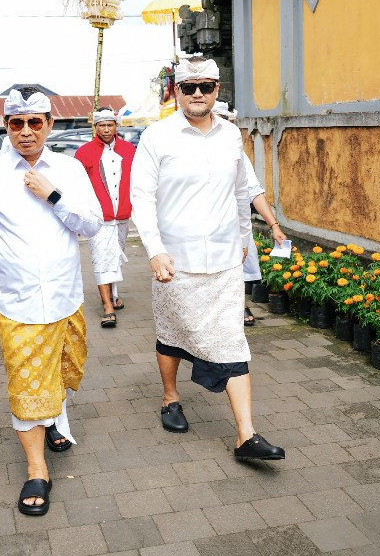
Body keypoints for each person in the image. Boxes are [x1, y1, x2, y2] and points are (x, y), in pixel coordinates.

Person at [131, 57, 285, 462]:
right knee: (172, 333)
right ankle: (170, 397)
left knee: (232, 340)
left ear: (217, 90)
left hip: (223, 262)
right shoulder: (156, 137)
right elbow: (141, 199)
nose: (197, 93)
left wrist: (242, 238)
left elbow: (239, 192)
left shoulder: (231, 136)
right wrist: (155, 250)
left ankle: (246, 436)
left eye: (206, 86)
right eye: (189, 87)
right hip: (174, 263)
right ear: (176, 92)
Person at [0, 88, 102, 516]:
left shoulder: (69, 168)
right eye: (16, 123)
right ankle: (36, 469)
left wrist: (54, 195)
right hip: (17, 302)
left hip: (65, 296)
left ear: (50, 124)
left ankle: (56, 421)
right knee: (26, 381)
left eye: (35, 122)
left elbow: (93, 224)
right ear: (5, 126)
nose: (26, 132)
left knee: (63, 367)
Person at [213, 102, 288, 327]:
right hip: (204, 227)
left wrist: (274, 225)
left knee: (237, 268)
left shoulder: (238, 155)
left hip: (234, 226)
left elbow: (253, 192)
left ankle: (239, 305)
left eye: (225, 121)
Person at [74, 108, 136, 328]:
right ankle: (108, 307)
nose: (106, 129)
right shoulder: (84, 152)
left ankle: (114, 295)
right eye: (102, 125)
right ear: (96, 127)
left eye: (110, 125)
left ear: (116, 126)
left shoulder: (130, 150)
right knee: (102, 258)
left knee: (116, 256)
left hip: (122, 215)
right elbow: (77, 186)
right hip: (97, 218)